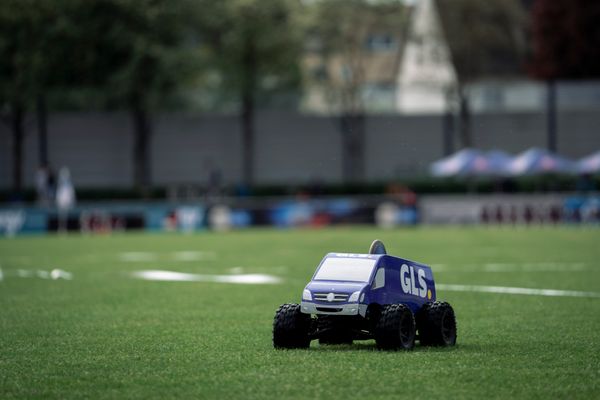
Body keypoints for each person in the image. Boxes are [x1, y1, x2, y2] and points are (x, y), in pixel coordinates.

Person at [56, 167, 76, 233]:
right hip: (62, 203)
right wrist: (58, 201)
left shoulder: (69, 184)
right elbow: (58, 194)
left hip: (67, 202)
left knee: (68, 216)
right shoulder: (60, 184)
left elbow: (71, 193)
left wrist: (72, 201)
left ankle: (68, 228)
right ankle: (62, 229)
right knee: (62, 217)